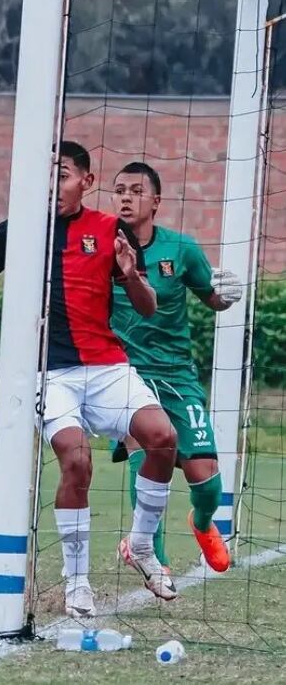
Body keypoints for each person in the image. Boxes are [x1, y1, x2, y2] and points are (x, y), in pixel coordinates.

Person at [0, 140, 179, 619]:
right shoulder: (16, 231)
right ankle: (77, 583)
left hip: (106, 367)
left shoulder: (109, 230)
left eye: (62, 173)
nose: (52, 183)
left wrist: (132, 276)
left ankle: (141, 545)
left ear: (86, 181)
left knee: (163, 438)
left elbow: (147, 306)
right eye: (46, 174)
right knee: (77, 461)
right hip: (48, 374)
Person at [108, 161, 242, 575]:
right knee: (144, 450)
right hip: (125, 372)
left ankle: (202, 524)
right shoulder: (103, 246)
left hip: (177, 374)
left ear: (156, 201)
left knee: (207, 479)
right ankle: (153, 557)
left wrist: (226, 296)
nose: (126, 197)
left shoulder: (181, 249)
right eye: (119, 190)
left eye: (136, 190)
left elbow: (211, 298)